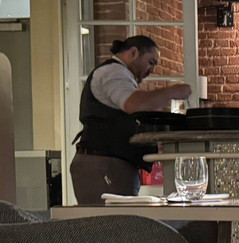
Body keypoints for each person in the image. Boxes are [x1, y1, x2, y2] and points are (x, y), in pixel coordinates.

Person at [70, 35, 192, 203]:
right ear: (133, 52)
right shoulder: (113, 72)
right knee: (110, 219)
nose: (152, 70)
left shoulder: (120, 73)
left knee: (118, 218)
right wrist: (172, 92)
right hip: (103, 166)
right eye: (150, 62)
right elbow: (133, 104)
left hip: (109, 165)